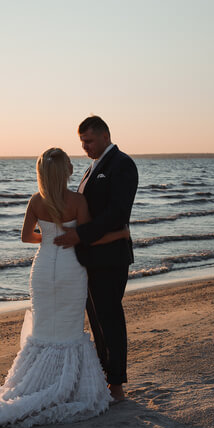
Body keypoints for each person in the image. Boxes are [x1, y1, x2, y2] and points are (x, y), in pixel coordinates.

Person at [0, 147, 129, 428]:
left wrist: (48, 239)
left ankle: (36, 383)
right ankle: (66, 386)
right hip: (71, 270)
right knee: (69, 329)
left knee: (44, 328)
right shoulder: (77, 200)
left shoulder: (36, 200)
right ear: (65, 172)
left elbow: (26, 237)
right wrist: (119, 233)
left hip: (43, 268)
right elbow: (85, 238)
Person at [54, 116, 138, 404]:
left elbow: (117, 214)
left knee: (111, 319)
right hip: (89, 258)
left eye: (88, 141)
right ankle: (104, 376)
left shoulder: (122, 164)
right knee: (98, 320)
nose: (84, 147)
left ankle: (116, 385)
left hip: (111, 257)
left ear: (104, 136)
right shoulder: (92, 168)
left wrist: (78, 235)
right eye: (81, 142)